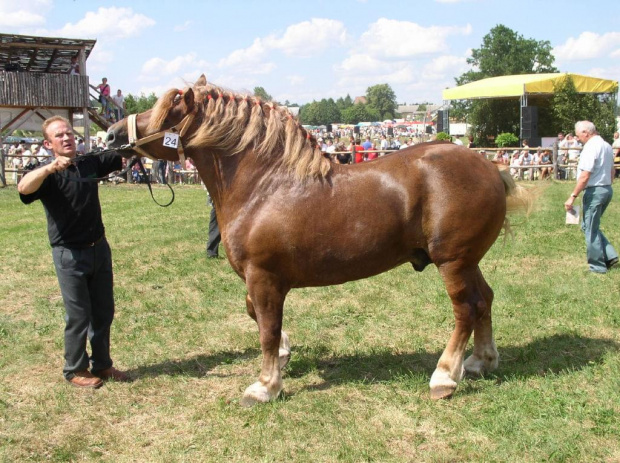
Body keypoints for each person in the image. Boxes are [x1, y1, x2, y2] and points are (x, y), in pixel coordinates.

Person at [17, 116, 130, 387]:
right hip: (68, 254)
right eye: (59, 136)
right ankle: (75, 369)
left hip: (98, 248)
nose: (67, 138)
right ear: (48, 143)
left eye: (69, 133)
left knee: (103, 311)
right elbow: (23, 188)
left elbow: (123, 153)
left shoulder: (89, 162)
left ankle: (102, 365)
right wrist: (49, 169)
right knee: (79, 314)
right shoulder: (44, 173)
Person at [564, 121, 618, 274]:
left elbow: (585, 175)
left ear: (586, 133)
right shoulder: (607, 145)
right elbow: (612, 171)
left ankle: (598, 267)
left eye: (579, 134)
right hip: (606, 189)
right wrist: (607, 185)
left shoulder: (590, 147)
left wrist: (572, 196)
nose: (578, 137)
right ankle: (610, 255)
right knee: (588, 226)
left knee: (590, 230)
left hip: (595, 191)